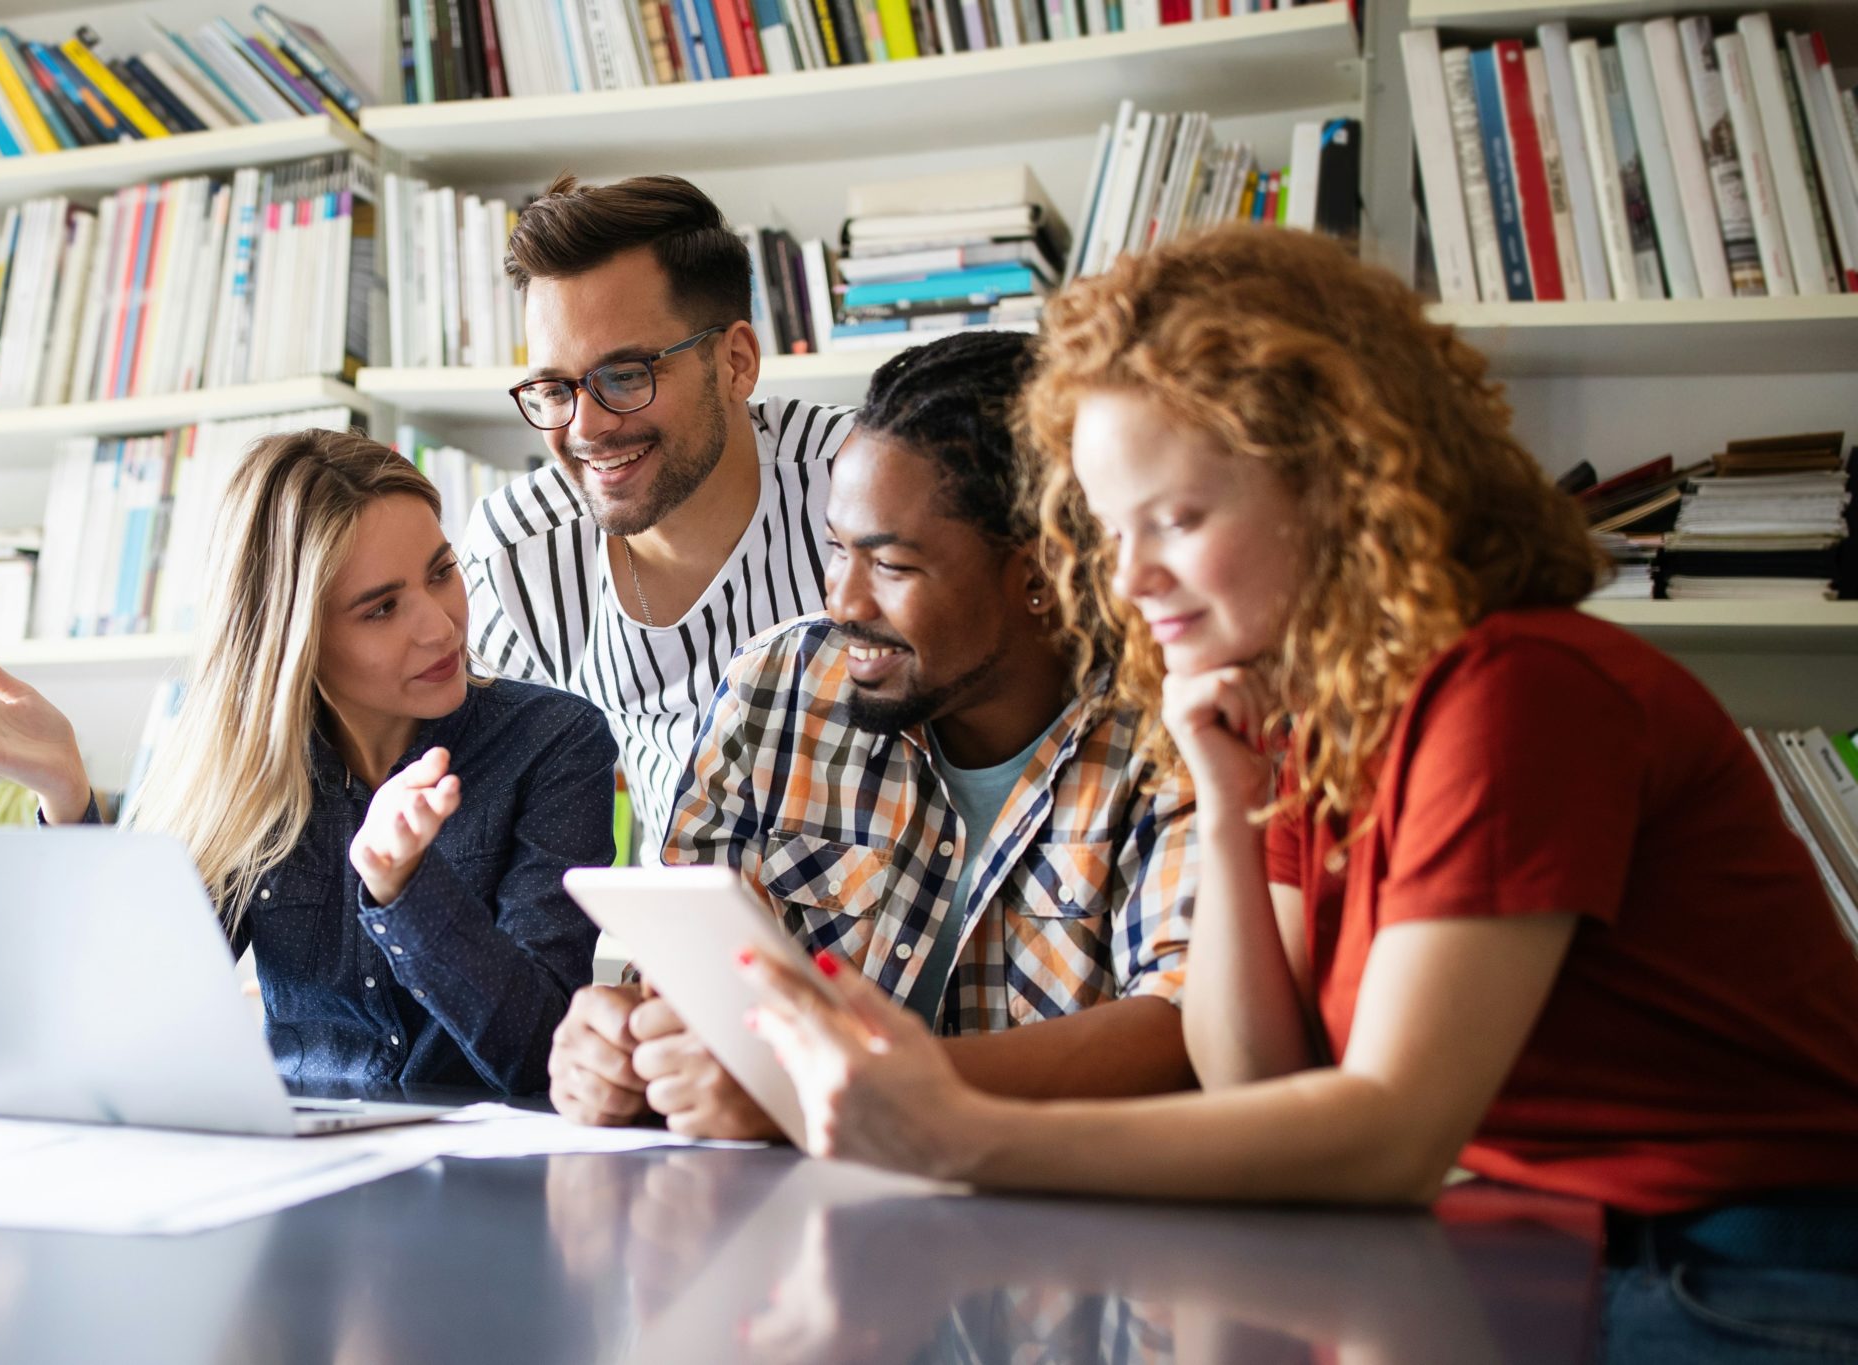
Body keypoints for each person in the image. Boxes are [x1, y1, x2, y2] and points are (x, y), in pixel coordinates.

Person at [737, 227, 1858, 1359]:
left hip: (1746, 1266)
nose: (1128, 579)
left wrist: (965, 1136)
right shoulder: (1324, 713)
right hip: (1555, 1245)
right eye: (1113, 532)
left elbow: (1388, 1136)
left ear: (1339, 481)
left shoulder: (1513, 687)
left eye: (1177, 520)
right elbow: (1249, 1076)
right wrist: (1229, 807)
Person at [548, 331, 1196, 1139]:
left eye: (890, 566)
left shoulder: (1171, 729)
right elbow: (684, 986)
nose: (843, 602)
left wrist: (839, 1083)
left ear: (1040, 572)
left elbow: (1179, 1028)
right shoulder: (775, 689)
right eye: (835, 549)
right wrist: (620, 1046)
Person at [0, 431, 617, 1094]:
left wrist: (405, 888)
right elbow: (126, 1022)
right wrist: (67, 796)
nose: (440, 625)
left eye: (441, 571)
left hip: (486, 1176)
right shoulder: (245, 770)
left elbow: (541, 1053)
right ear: (296, 636)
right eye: (382, 608)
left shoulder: (555, 742)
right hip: (291, 1161)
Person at [463, 173, 854, 862]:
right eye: (554, 387)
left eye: (626, 375)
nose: (585, 428)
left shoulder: (861, 484)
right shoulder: (515, 561)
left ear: (736, 362)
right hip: (678, 921)